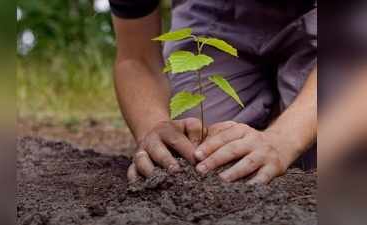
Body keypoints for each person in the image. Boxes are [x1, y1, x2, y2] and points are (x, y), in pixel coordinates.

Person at [109, 0, 317, 184]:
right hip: (215, 8)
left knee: (321, 151)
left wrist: (284, 138)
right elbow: (136, 58)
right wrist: (154, 129)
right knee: (199, 146)